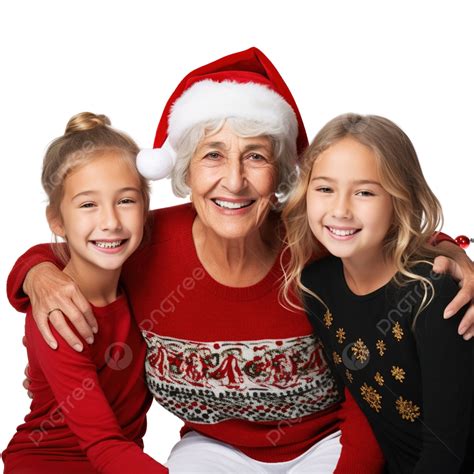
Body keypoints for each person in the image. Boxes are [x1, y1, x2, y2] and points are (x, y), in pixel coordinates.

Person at [4, 48, 474, 473]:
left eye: (255, 156)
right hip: (211, 450)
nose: (234, 181)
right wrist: (36, 272)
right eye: (213, 155)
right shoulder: (145, 239)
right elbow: (87, 242)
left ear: (283, 173)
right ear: (185, 169)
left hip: (326, 444)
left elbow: (381, 234)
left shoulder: (312, 237)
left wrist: (452, 251)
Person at [282, 113, 474, 473]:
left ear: (399, 199)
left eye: (365, 192)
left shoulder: (433, 295)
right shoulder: (316, 287)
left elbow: (446, 451)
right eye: (324, 188)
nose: (340, 210)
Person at [2, 113, 166, 473]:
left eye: (126, 201)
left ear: (146, 210)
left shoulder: (143, 279)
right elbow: (103, 445)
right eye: (88, 204)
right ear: (57, 220)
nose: (110, 221)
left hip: (120, 460)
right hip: (50, 464)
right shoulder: (58, 313)